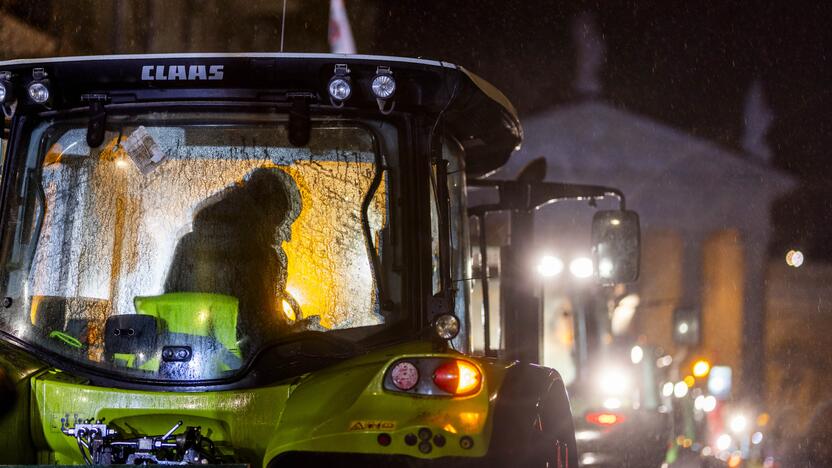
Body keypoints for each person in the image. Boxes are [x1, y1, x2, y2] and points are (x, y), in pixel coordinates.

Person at [164, 167, 302, 335]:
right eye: (279, 222)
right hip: (241, 359)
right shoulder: (261, 257)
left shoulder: (187, 243)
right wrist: (299, 331)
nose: (285, 235)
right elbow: (262, 330)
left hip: (186, 352)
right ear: (269, 215)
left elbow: (169, 308)